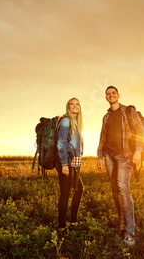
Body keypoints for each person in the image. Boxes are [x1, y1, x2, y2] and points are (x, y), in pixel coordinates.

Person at [96, 86, 144, 246]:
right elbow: (102, 137)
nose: (111, 95)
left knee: (123, 189)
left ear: (118, 95)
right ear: (106, 98)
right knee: (115, 190)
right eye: (108, 94)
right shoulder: (106, 117)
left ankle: (129, 231)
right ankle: (121, 221)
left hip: (124, 155)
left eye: (113, 93)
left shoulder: (129, 111)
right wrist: (100, 156)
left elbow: (139, 131)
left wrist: (138, 151)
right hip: (109, 155)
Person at [56, 97, 84, 232]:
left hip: (73, 160)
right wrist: (64, 164)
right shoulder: (66, 120)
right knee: (66, 192)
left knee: (78, 189)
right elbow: (61, 143)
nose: (74, 106)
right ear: (68, 107)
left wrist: (77, 160)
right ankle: (62, 226)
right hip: (65, 160)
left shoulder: (76, 122)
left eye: (77, 104)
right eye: (71, 104)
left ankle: (73, 221)